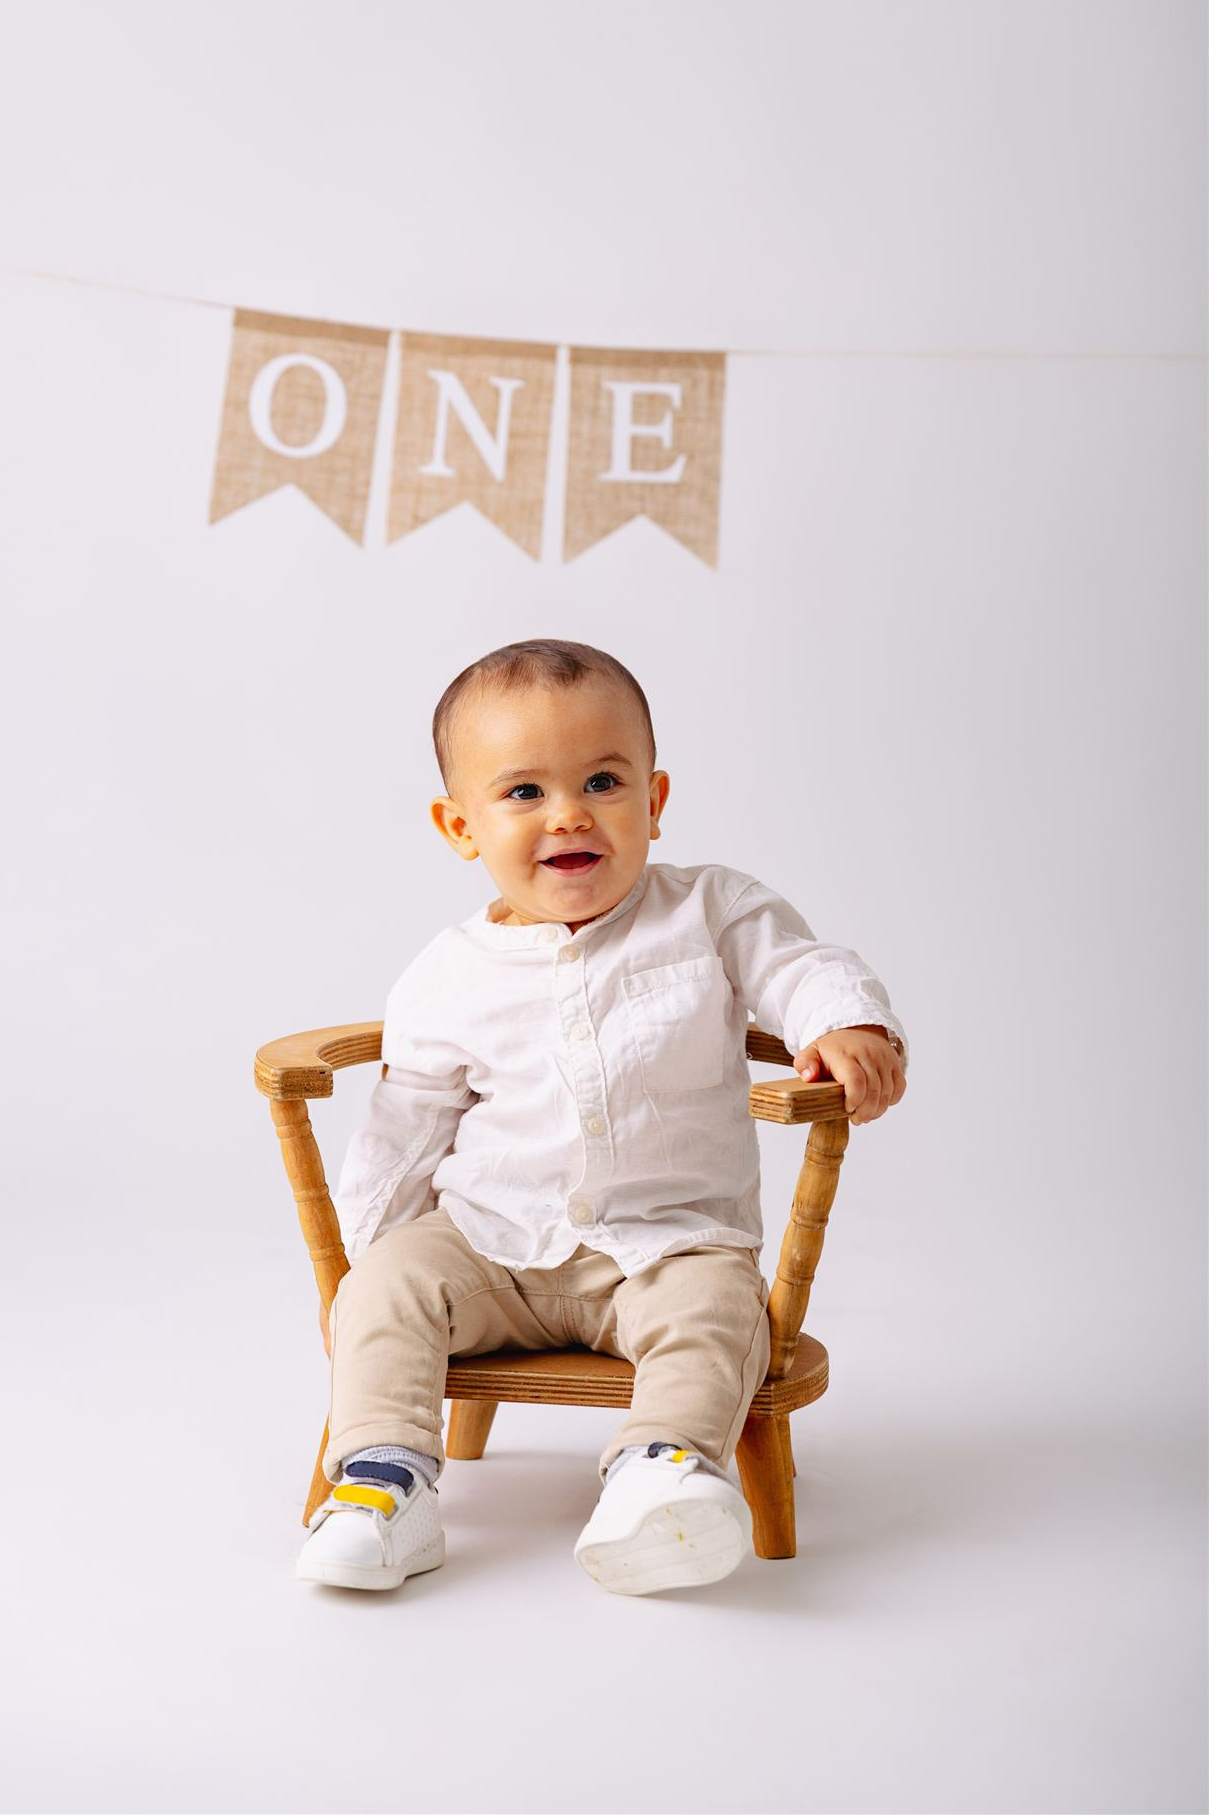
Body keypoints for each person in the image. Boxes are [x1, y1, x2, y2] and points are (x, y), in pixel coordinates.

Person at [297, 638, 908, 1596]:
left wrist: (844, 1021)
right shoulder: (447, 973)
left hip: (667, 1244)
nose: (569, 813)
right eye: (523, 792)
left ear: (653, 801)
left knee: (718, 1313)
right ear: (460, 826)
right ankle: (381, 1484)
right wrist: (363, 1264)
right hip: (490, 1247)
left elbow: (800, 966)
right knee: (386, 1286)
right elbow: (405, 1127)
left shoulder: (708, 909)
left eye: (602, 781)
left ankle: (660, 1476)